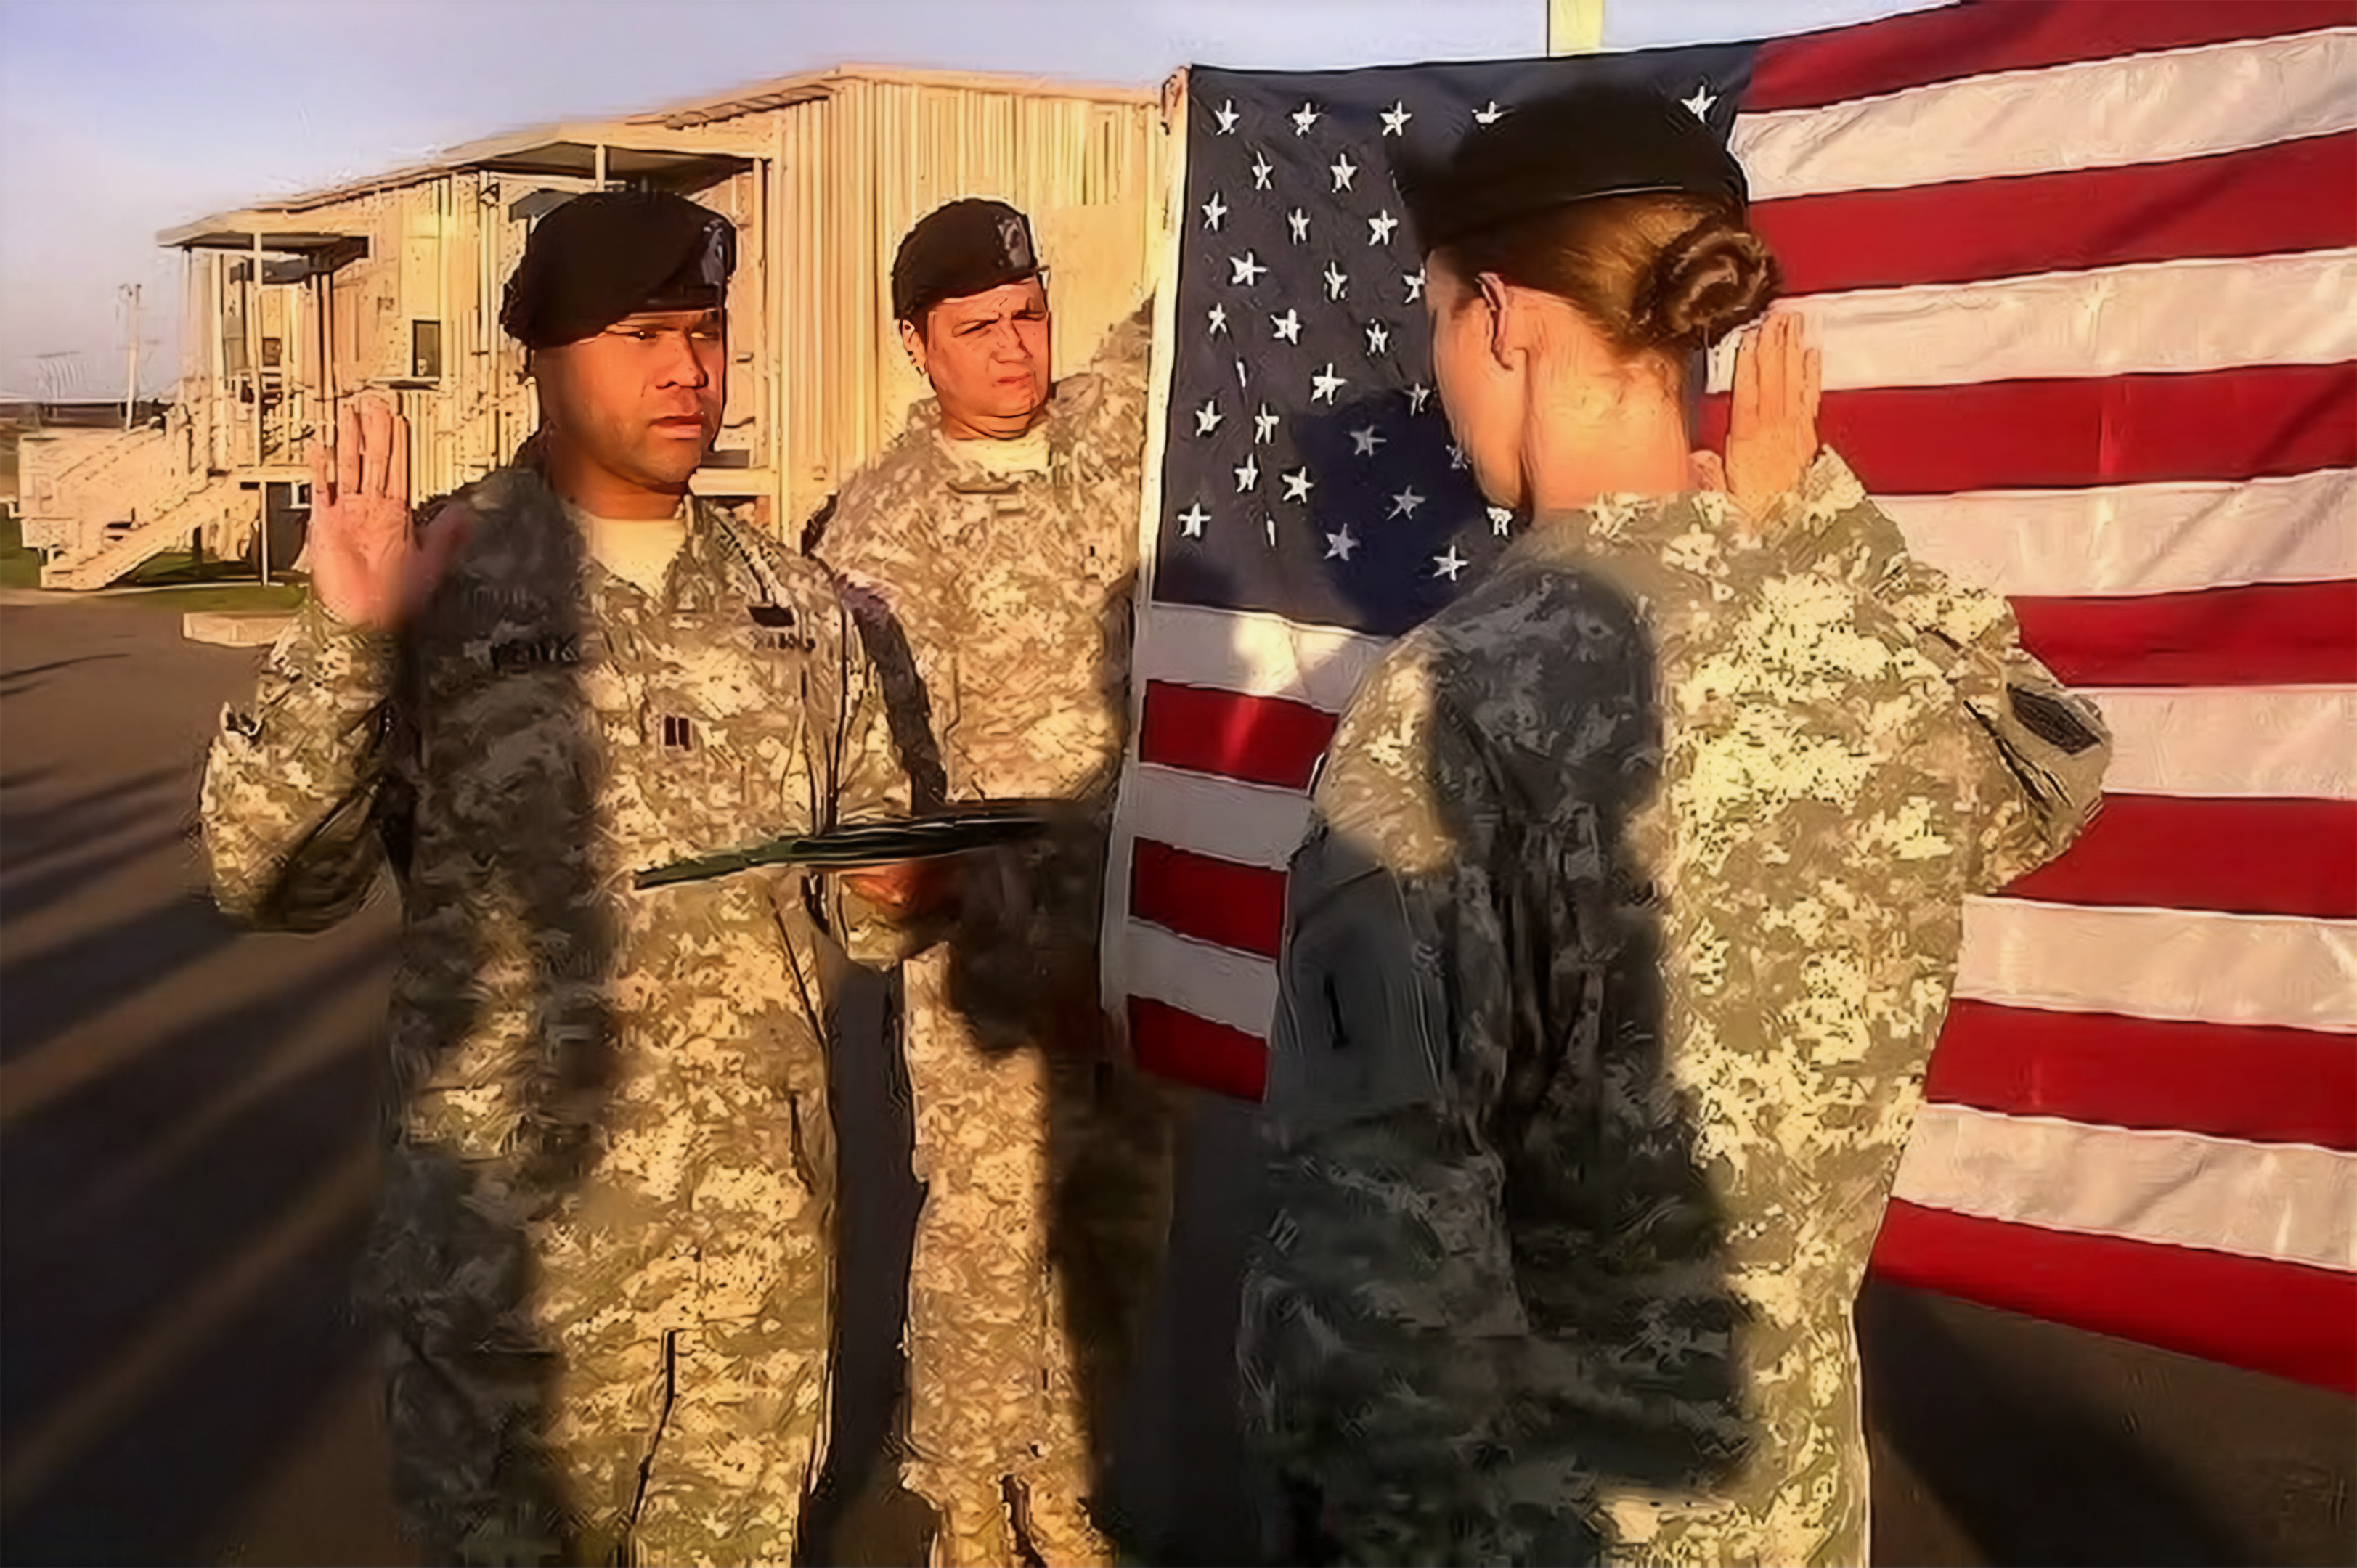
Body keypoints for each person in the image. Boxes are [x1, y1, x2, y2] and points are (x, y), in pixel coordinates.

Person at [1234, 83, 2112, 1567]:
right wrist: (1811, 519)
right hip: (1792, 1515)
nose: (1440, 374)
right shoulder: (1866, 659)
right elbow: (2051, 765)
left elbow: (1366, 1270)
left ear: (1503, 319)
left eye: (1438, 320)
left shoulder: (1453, 700)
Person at [200, 187, 921, 1565]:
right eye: (643, 336)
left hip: (751, 1273)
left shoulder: (798, 606)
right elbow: (264, 879)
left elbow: (863, 892)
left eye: (705, 331)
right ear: (541, 354)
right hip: (514, 1277)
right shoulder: (436, 579)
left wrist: (897, 893)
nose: (688, 370)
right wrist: (347, 645)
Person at [807, 197, 1173, 1567]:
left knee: (1119, 1220)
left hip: (1142, 922)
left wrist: (1210, 133)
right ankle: (964, 1494)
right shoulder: (883, 530)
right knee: (991, 1230)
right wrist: (1027, 955)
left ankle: (1063, 1484)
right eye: (978, 329)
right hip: (995, 952)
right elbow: (886, 794)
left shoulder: (1103, 435)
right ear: (917, 345)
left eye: (1028, 315)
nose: (1016, 349)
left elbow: (1185, 318)